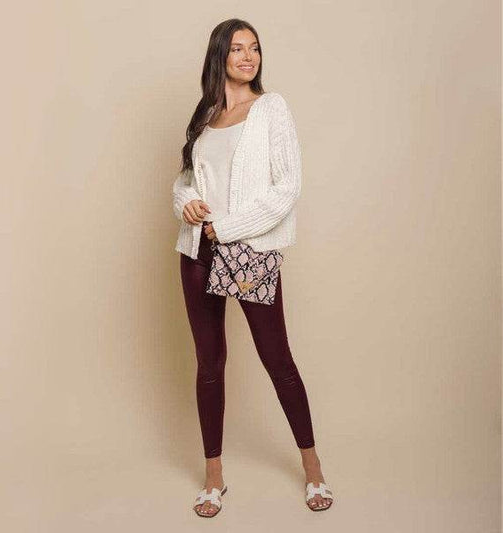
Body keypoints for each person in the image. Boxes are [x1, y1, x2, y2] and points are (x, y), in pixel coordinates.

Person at [172, 18, 334, 517]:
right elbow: (185, 179)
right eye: (238, 49)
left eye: (255, 49)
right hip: (197, 251)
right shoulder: (205, 115)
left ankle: (313, 468)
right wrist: (187, 203)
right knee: (209, 364)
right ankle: (213, 477)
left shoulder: (270, 108)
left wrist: (228, 226)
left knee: (277, 360)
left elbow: (288, 187)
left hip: (249, 251)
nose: (249, 57)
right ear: (219, 55)